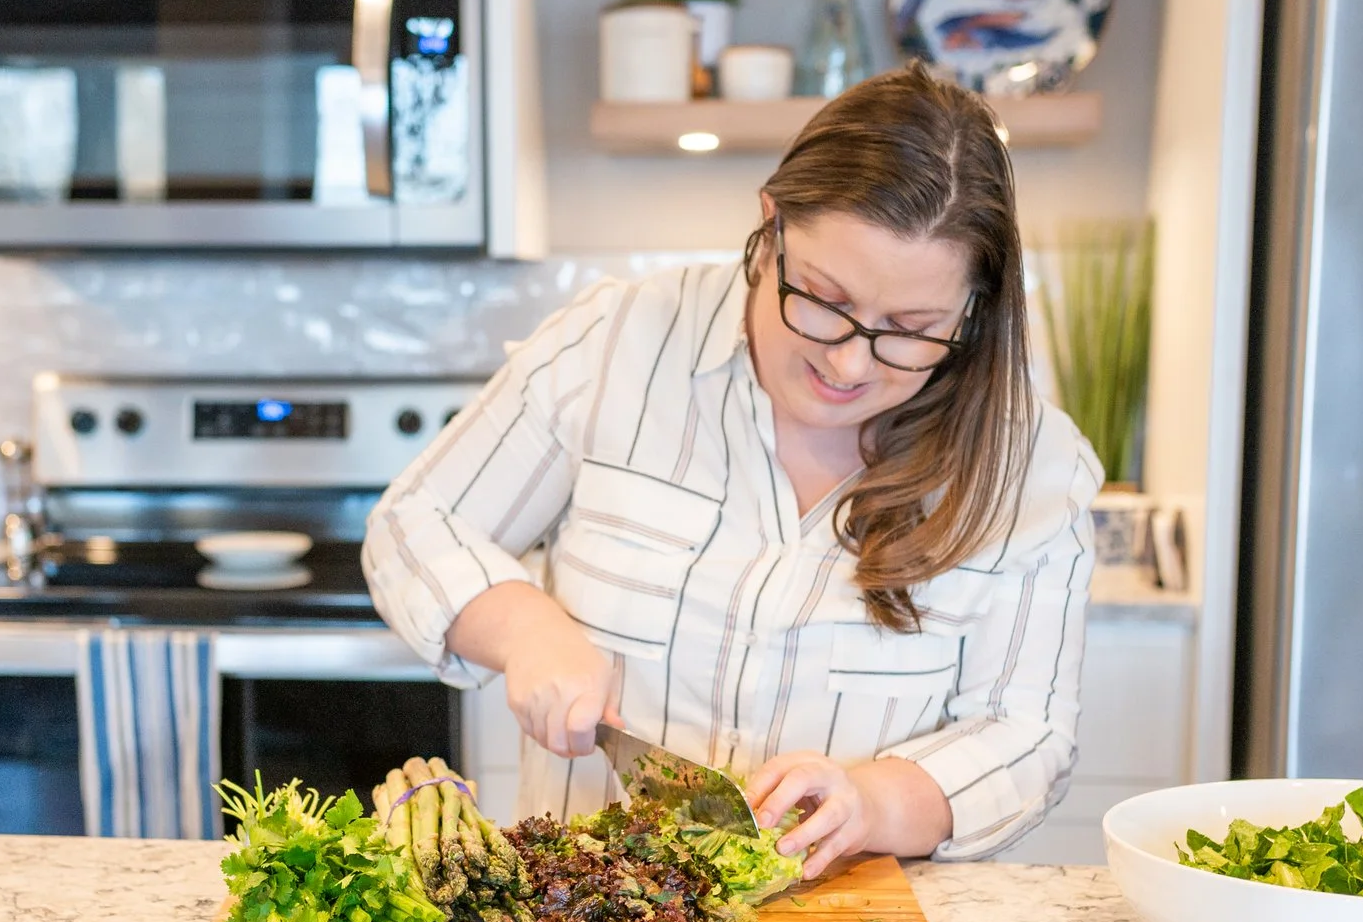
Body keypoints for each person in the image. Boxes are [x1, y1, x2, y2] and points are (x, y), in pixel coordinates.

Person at [363, 62, 1098, 876]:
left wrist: (871, 800)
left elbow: (1027, 735)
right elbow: (413, 525)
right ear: (771, 222)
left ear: (973, 308)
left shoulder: (1032, 466)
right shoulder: (618, 343)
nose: (851, 363)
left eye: (912, 327)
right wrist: (524, 627)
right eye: (823, 298)